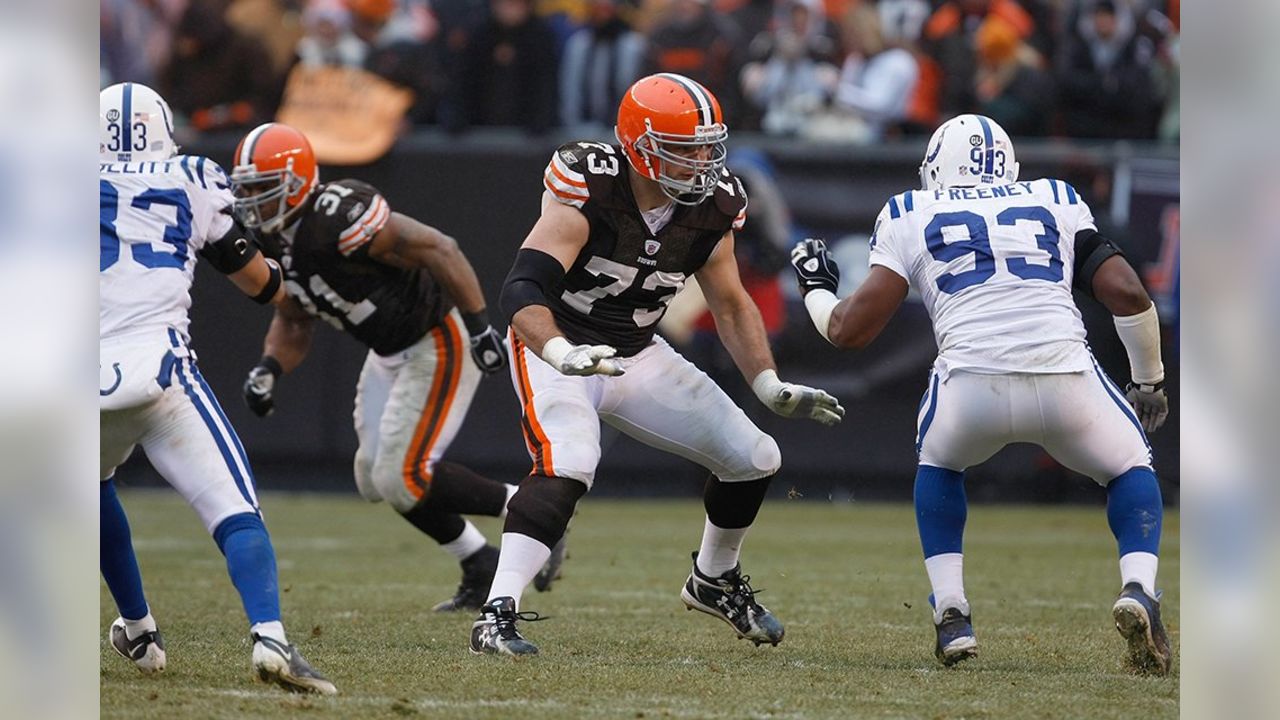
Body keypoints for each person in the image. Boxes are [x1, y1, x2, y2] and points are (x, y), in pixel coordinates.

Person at [469, 73, 844, 657]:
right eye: (684, 149)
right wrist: (562, 353)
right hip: (561, 345)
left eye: (706, 146)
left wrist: (767, 384)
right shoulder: (590, 184)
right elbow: (521, 292)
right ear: (639, 147)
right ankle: (497, 613)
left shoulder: (716, 204)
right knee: (569, 460)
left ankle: (713, 579)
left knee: (755, 457)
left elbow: (729, 300)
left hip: (638, 351)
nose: (700, 163)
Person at [789, 114, 1172, 675]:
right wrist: (1149, 380)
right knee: (1129, 463)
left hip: (971, 388)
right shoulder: (1054, 197)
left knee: (939, 461)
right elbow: (1128, 292)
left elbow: (849, 331)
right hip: (1064, 376)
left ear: (936, 168)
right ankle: (1138, 587)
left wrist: (816, 290)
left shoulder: (908, 211)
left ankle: (952, 612)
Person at [229, 122, 561, 613]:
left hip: (435, 339)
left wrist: (478, 327)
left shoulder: (340, 215)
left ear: (297, 182)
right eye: (247, 191)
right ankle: (479, 562)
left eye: (263, 189)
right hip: (388, 353)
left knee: (402, 478)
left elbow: (439, 247)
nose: (252, 203)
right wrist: (270, 367)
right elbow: (293, 317)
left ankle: (531, 513)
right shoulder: (272, 243)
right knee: (374, 479)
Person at [99, 83, 335, 694]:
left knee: (91, 486)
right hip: (161, 370)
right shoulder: (191, 175)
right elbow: (255, 281)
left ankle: (139, 628)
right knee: (234, 509)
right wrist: (295, 293)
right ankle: (270, 636)